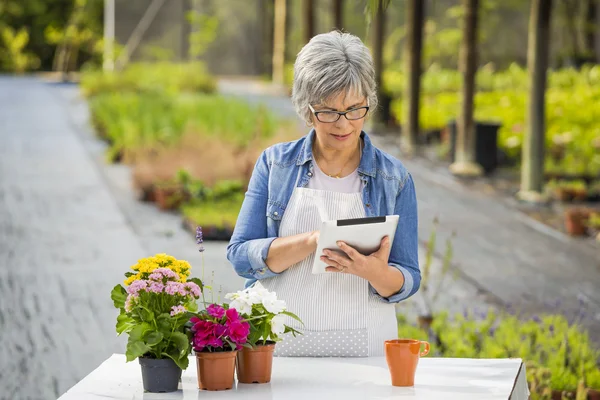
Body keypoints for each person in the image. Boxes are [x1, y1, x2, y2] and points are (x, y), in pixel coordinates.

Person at [226, 31, 420, 357]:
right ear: (306, 108)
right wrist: (312, 241)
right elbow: (241, 257)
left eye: (355, 109)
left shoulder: (394, 179)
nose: (343, 124)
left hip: (364, 349)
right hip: (276, 346)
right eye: (328, 111)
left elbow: (408, 278)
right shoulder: (276, 165)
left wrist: (372, 271)